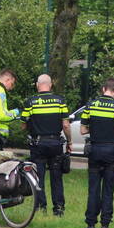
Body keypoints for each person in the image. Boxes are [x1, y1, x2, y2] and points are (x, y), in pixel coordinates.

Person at [79, 77, 114, 228]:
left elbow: (82, 130)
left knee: (93, 190)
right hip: (111, 152)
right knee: (108, 191)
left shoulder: (91, 105)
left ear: (103, 89)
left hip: (94, 150)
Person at [20, 74, 72, 216]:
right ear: (51, 85)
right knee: (57, 178)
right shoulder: (60, 101)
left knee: (38, 178)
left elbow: (23, 125)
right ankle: (59, 209)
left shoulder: (30, 102)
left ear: (38, 85)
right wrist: (69, 142)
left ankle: (41, 208)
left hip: (38, 144)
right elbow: (66, 125)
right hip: (55, 144)